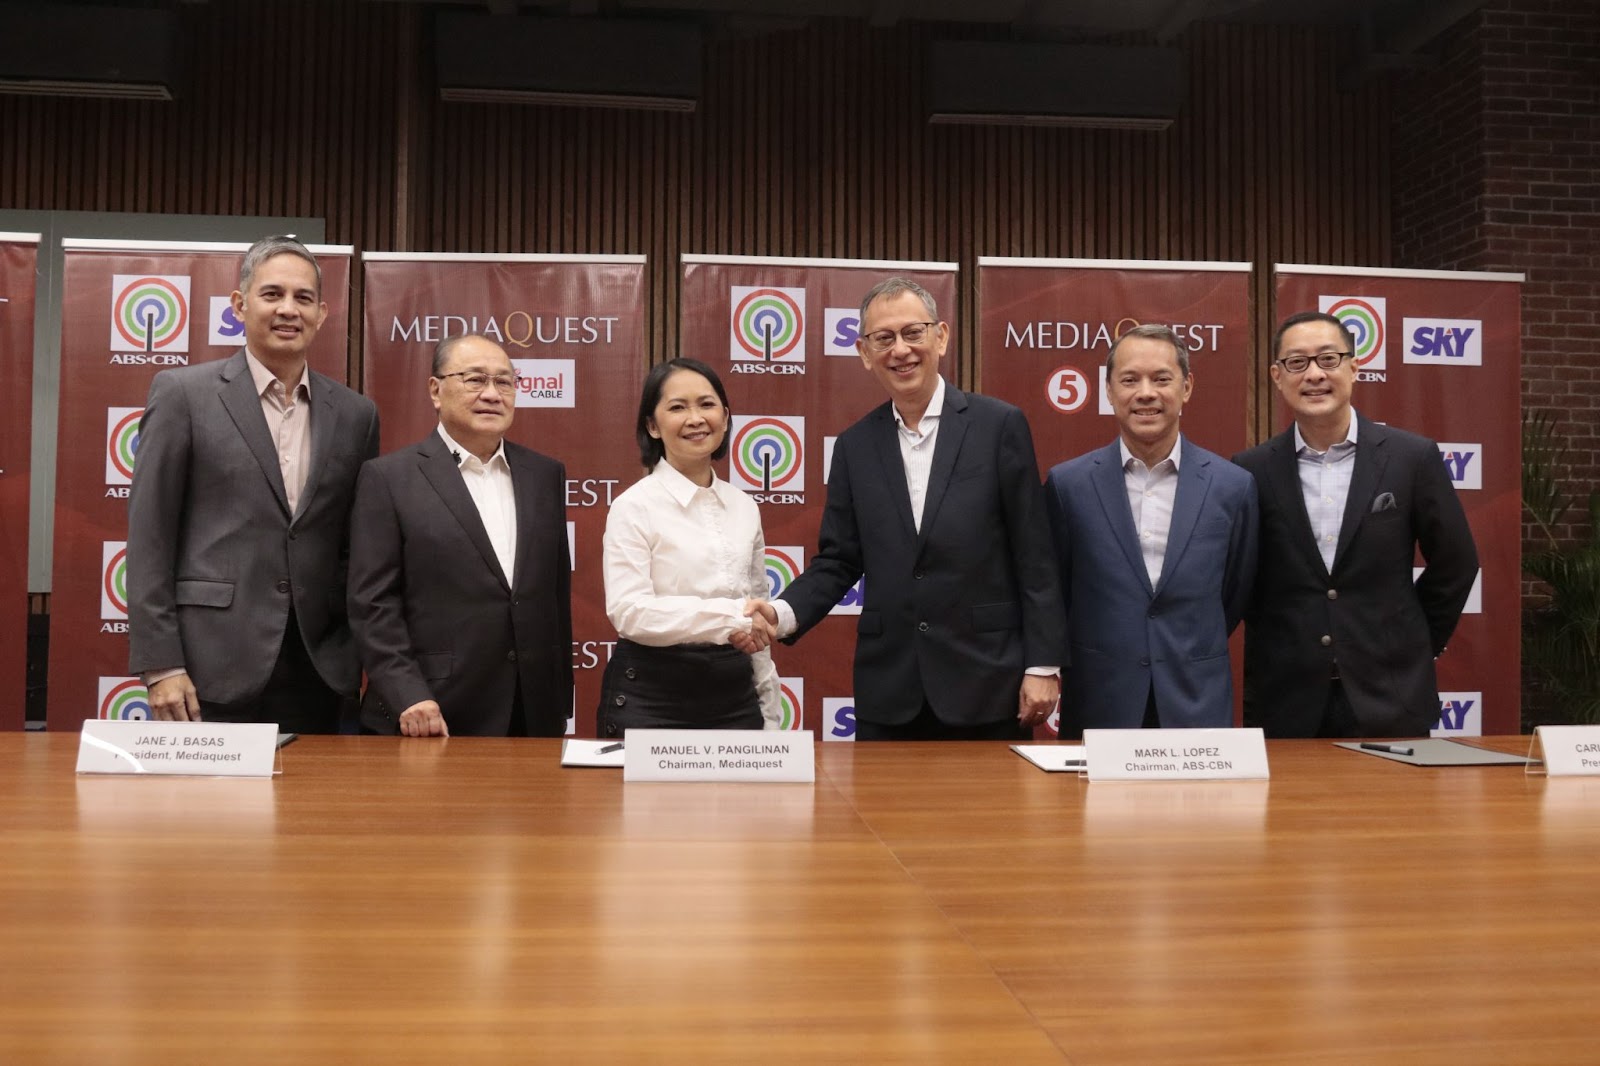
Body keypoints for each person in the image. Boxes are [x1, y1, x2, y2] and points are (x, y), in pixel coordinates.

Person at [749, 277, 1064, 741]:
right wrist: (782, 614)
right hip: (890, 691)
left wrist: (1043, 665)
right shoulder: (855, 447)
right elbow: (838, 560)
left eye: (913, 333)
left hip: (986, 683)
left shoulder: (998, 426)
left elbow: (1034, 554)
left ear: (940, 336)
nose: (901, 350)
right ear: (863, 351)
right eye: (884, 338)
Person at [127, 235, 380, 733]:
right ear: (240, 305)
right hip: (207, 668)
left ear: (323, 313)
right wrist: (162, 665)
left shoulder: (356, 414)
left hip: (321, 669)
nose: (289, 309)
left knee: (319, 811)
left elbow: (356, 548)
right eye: (273, 294)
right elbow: (150, 536)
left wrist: (353, 651)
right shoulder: (184, 395)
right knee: (212, 815)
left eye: (303, 298)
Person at [1232, 311, 1479, 738]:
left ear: (1354, 367)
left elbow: (1456, 563)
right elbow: (1241, 583)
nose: (1314, 375)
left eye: (1328, 359)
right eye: (1297, 363)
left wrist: (1415, 641)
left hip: (1391, 693)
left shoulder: (1411, 458)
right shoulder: (1250, 470)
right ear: (1277, 375)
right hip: (1285, 699)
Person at [346, 333, 572, 737]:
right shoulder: (389, 478)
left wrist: (559, 699)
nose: (492, 394)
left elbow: (554, 597)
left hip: (531, 711)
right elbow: (372, 603)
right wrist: (407, 693)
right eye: (474, 380)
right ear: (436, 390)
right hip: (429, 710)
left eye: (504, 382)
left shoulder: (544, 475)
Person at [1044, 324, 1257, 735]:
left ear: (1187, 387)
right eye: (1129, 380)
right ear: (1109, 391)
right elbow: (1057, 593)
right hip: (1101, 701)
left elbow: (1234, 592)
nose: (1146, 393)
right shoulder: (1067, 485)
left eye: (1162, 379)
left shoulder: (1233, 487)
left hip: (1195, 701)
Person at [598, 357, 780, 736]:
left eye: (707, 404)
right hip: (651, 698)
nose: (695, 418)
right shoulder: (633, 506)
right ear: (652, 425)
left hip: (735, 699)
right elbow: (629, 612)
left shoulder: (745, 506)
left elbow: (756, 619)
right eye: (678, 407)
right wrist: (729, 616)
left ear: (726, 416)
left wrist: (770, 713)